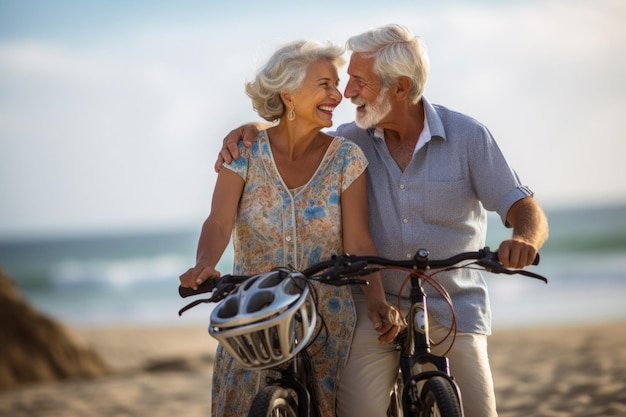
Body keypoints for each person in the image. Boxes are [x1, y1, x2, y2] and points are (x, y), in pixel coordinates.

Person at [215, 24, 549, 417]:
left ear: (401, 88)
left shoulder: (468, 137)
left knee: (479, 409)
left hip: (452, 305)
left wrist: (525, 239)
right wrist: (251, 129)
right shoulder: (348, 142)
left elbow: (521, 205)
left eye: (359, 81)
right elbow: (291, 130)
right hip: (373, 310)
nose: (348, 93)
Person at [179, 39, 404, 417]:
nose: (337, 94)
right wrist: (204, 263)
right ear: (288, 94)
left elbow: (359, 240)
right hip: (254, 317)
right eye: (325, 85)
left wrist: (378, 299)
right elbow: (219, 222)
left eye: (336, 84)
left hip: (325, 319)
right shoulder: (245, 153)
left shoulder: (346, 158)